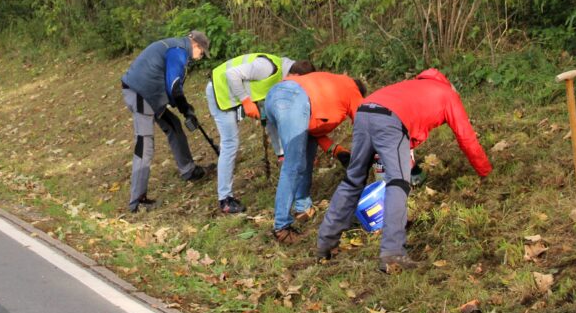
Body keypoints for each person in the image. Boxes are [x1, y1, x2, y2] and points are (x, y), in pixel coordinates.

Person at [315, 68, 492, 273]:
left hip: (364, 112)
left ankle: (325, 243)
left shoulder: (415, 85)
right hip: (390, 120)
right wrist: (486, 172)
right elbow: (466, 137)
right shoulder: (448, 95)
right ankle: (393, 252)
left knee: (353, 179)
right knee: (398, 183)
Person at [205, 54, 315, 214]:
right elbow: (232, 74)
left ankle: (282, 156)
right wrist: (246, 101)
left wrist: (281, 154)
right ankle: (225, 200)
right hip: (219, 91)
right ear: (295, 76)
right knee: (230, 143)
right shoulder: (267, 67)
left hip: (232, 94)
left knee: (270, 118)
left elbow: (271, 119)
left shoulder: (282, 75)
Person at [265, 71, 364, 243]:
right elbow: (365, 125)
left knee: (305, 158)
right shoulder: (353, 90)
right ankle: (281, 227)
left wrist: (337, 150)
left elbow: (314, 130)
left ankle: (302, 206)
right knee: (293, 165)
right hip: (293, 98)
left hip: (276, 96)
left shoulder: (331, 87)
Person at [121, 30, 211, 213]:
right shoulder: (178, 52)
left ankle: (189, 170)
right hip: (139, 93)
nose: (199, 57)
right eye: (201, 53)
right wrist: (186, 108)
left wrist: (185, 110)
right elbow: (173, 86)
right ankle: (137, 201)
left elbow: (170, 85)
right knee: (145, 145)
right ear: (195, 45)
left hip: (149, 94)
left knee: (174, 125)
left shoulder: (176, 47)